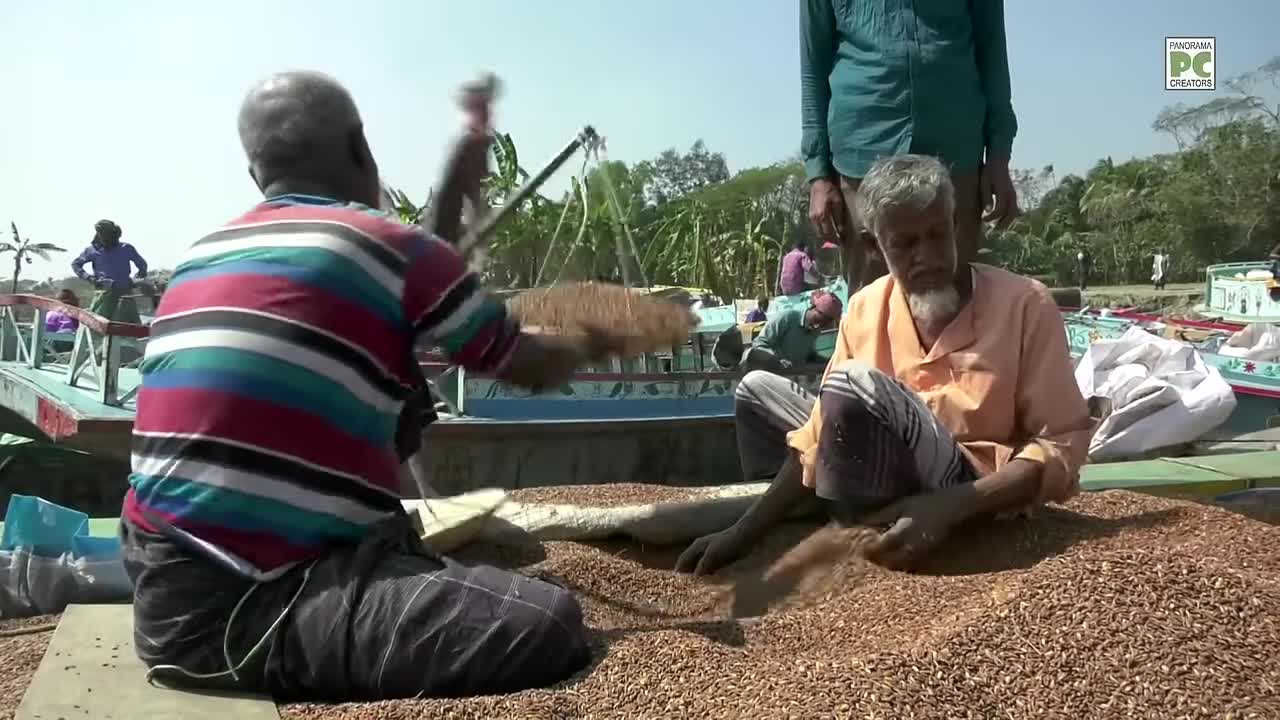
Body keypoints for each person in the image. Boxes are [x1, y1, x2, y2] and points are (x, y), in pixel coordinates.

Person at [119, 71, 607, 702]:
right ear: (361, 149)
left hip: (158, 573)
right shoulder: (392, 249)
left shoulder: (201, 254)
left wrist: (467, 151)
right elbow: (523, 362)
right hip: (246, 610)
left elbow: (440, 231)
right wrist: (611, 330)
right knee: (545, 622)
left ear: (255, 177)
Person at [678, 154, 1089, 576]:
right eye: (906, 244)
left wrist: (949, 507)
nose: (927, 257)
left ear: (956, 226)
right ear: (874, 247)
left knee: (854, 383)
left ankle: (841, 517)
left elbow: (1061, 443)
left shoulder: (1024, 304)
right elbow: (816, 434)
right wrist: (744, 533)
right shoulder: (864, 307)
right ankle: (799, 511)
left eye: (936, 234)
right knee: (756, 388)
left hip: (970, 485)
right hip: (881, 460)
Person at [802, 0, 1020, 296]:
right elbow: (812, 70)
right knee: (873, 300)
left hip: (957, 150)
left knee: (957, 294)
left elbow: (992, 54)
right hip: (861, 152)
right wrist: (819, 174)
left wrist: (998, 155)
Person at [739, 290, 842, 373]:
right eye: (825, 318)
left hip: (792, 376)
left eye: (828, 321)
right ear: (815, 309)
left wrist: (829, 363)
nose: (825, 323)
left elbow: (808, 355)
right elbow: (759, 344)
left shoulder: (815, 329)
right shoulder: (787, 318)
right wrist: (776, 360)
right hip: (768, 374)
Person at [70, 220, 149, 323]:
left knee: (130, 326)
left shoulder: (126, 248)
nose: (106, 238)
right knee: (98, 325)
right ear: (99, 235)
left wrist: (135, 281)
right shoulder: (92, 250)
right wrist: (89, 278)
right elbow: (76, 264)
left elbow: (142, 266)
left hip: (124, 294)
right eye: (103, 235)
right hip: (104, 294)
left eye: (109, 235)